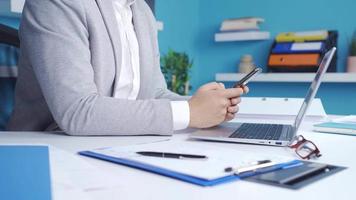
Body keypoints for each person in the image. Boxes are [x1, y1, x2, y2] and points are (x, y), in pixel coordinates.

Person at [6, 0, 248, 136]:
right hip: (50, 150)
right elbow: (77, 112)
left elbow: (154, 93)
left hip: (119, 144)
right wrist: (189, 112)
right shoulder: (56, 3)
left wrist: (207, 107)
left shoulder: (141, 12)